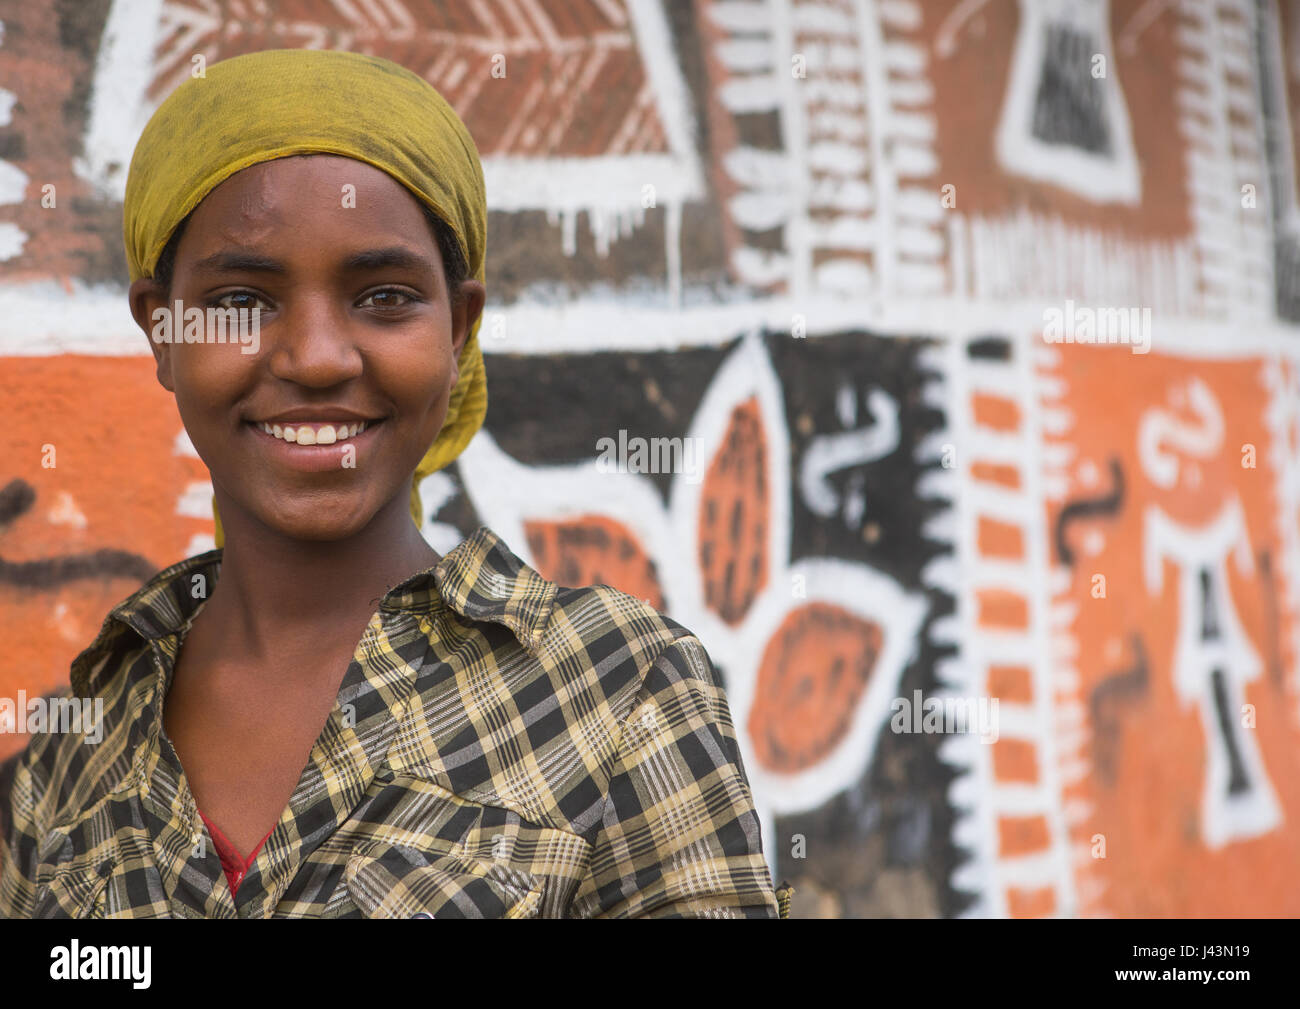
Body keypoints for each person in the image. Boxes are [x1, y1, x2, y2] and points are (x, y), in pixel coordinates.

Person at [0, 48, 785, 918]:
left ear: (458, 330)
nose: (317, 357)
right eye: (242, 301)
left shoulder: (618, 687)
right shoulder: (76, 749)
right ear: (163, 332)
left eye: (383, 297)